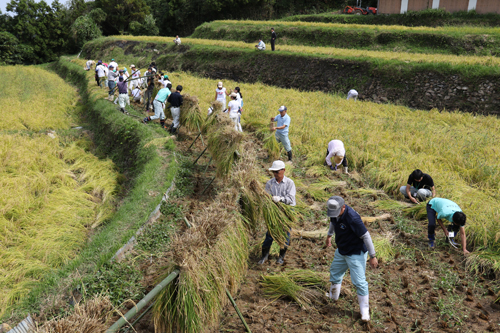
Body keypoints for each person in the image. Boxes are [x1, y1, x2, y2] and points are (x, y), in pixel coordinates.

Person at [324, 196, 378, 322]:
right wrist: (329, 235)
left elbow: (366, 236)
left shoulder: (352, 218)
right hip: (341, 250)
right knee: (335, 272)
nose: (334, 215)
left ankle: (364, 311)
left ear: (343, 207)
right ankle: (333, 296)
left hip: (355, 252)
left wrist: (373, 256)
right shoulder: (334, 211)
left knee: (359, 282)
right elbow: (333, 222)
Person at [258, 160, 296, 265]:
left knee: (285, 234)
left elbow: (291, 199)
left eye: (277, 172)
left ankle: (281, 257)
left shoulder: (290, 183)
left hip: (286, 211)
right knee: (270, 233)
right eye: (273, 172)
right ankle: (264, 256)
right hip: (274, 211)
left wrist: (280, 199)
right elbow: (266, 196)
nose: (275, 174)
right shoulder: (270, 183)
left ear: (283, 170)